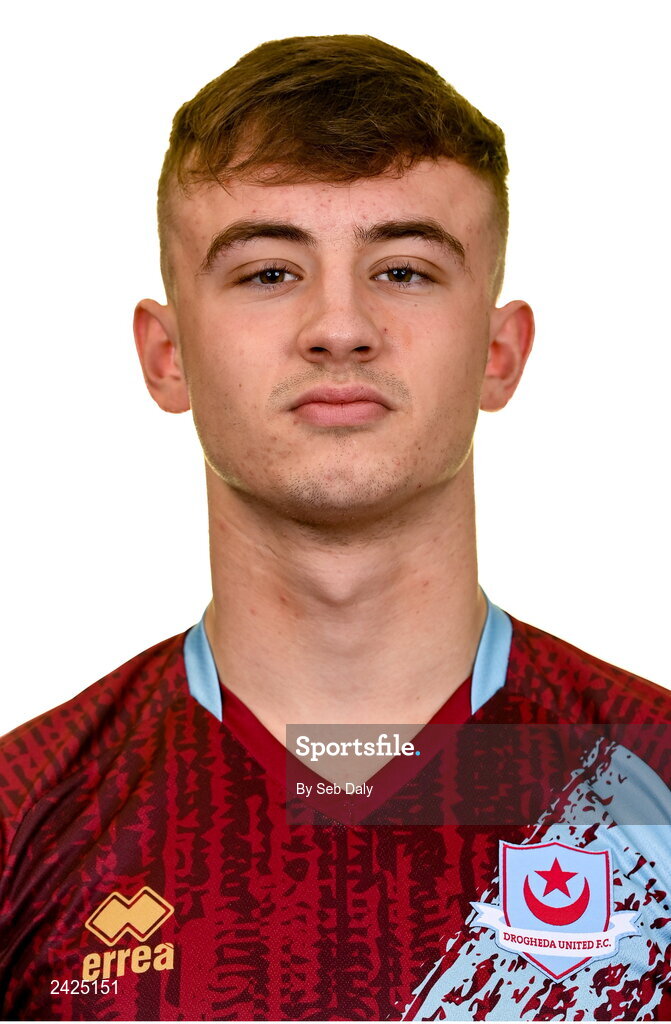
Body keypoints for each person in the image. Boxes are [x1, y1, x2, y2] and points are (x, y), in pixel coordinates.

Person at [1, 33, 670, 1022]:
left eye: (402, 270)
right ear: (166, 354)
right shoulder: (24, 813)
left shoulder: (651, 790)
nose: (340, 327)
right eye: (269, 273)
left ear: (498, 352)